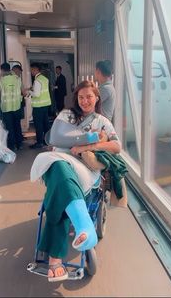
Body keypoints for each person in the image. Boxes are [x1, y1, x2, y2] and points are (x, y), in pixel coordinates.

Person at [30, 80, 121, 282]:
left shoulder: (102, 121)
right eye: (81, 97)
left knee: (61, 189)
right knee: (60, 168)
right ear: (76, 99)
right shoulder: (66, 115)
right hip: (57, 161)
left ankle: (55, 258)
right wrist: (89, 138)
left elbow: (116, 146)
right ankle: (84, 226)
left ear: (97, 98)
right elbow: (55, 137)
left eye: (89, 96)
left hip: (85, 168)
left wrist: (94, 145)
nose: (85, 101)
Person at [0, 62, 22, 151]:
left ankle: (12, 146)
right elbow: (20, 90)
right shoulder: (17, 79)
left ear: (2, 70)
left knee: (9, 127)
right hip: (17, 106)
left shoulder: (0, 81)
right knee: (17, 125)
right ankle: (20, 144)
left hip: (6, 108)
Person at [27, 62, 52, 149]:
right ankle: (47, 141)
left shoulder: (37, 80)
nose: (31, 71)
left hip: (38, 107)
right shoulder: (44, 79)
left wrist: (29, 92)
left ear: (36, 69)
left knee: (38, 125)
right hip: (45, 105)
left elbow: (36, 94)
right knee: (46, 124)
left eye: (32, 70)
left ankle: (39, 142)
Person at [12, 64, 26, 141]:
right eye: (19, 72)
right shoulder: (17, 79)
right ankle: (19, 138)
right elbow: (23, 92)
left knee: (13, 123)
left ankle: (16, 138)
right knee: (17, 122)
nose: (20, 73)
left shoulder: (5, 78)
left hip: (9, 105)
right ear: (16, 70)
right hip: (17, 104)